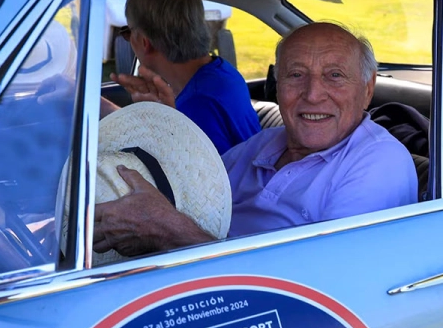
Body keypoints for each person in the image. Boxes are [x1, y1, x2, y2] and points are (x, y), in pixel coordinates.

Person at [93, 22, 417, 257]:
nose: (313, 94)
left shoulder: (379, 163)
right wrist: (162, 131)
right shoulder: (266, 143)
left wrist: (171, 232)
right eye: (296, 75)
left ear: (367, 89)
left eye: (334, 75)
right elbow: (193, 193)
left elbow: (320, 291)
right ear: (277, 87)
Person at [101, 0, 261, 154]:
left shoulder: (197, 105)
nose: (128, 40)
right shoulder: (221, 72)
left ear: (144, 42)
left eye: (127, 33)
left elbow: (188, 176)